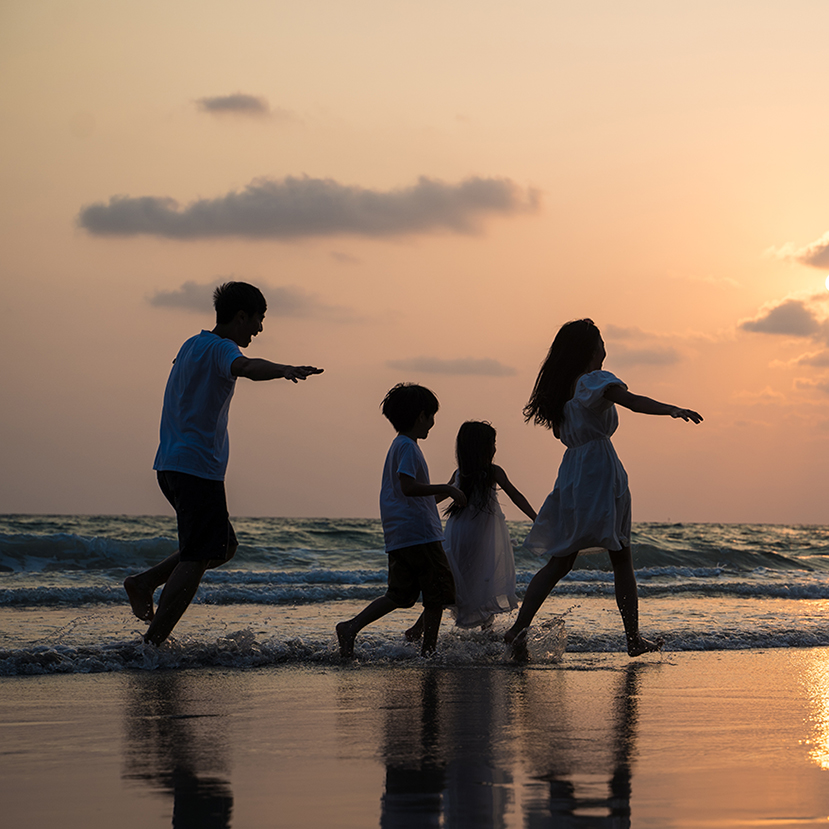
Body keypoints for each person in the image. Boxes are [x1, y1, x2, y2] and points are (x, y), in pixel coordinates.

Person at [124, 281, 323, 646]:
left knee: (222, 546)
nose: (259, 330)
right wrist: (284, 369)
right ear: (241, 316)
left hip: (171, 464)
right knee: (198, 556)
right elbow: (246, 367)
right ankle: (152, 646)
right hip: (195, 467)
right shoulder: (221, 348)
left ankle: (147, 582)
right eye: (258, 321)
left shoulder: (191, 344)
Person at [504, 319, 702, 658]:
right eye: (601, 341)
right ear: (591, 349)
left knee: (560, 561)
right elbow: (633, 401)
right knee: (621, 557)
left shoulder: (562, 393)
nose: (604, 348)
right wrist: (671, 409)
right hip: (599, 471)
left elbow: (563, 434)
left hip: (572, 474)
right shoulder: (593, 381)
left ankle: (517, 629)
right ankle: (633, 638)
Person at [336, 383, 466, 658]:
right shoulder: (408, 448)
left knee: (399, 595)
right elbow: (408, 487)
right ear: (420, 416)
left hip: (401, 535)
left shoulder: (398, 446)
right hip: (422, 536)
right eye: (431, 417)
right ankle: (428, 652)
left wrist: (448, 491)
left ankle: (351, 627)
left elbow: (415, 498)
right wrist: (446, 488)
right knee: (438, 595)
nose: (432, 423)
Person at [406, 420, 537, 637]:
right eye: (493, 443)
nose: (495, 448)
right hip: (479, 535)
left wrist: (412, 509)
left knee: (455, 581)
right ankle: (484, 630)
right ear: (484, 446)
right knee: (483, 577)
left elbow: (436, 499)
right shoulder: (492, 471)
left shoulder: (460, 473)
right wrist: (536, 517)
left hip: (457, 532)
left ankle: (419, 628)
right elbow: (515, 495)